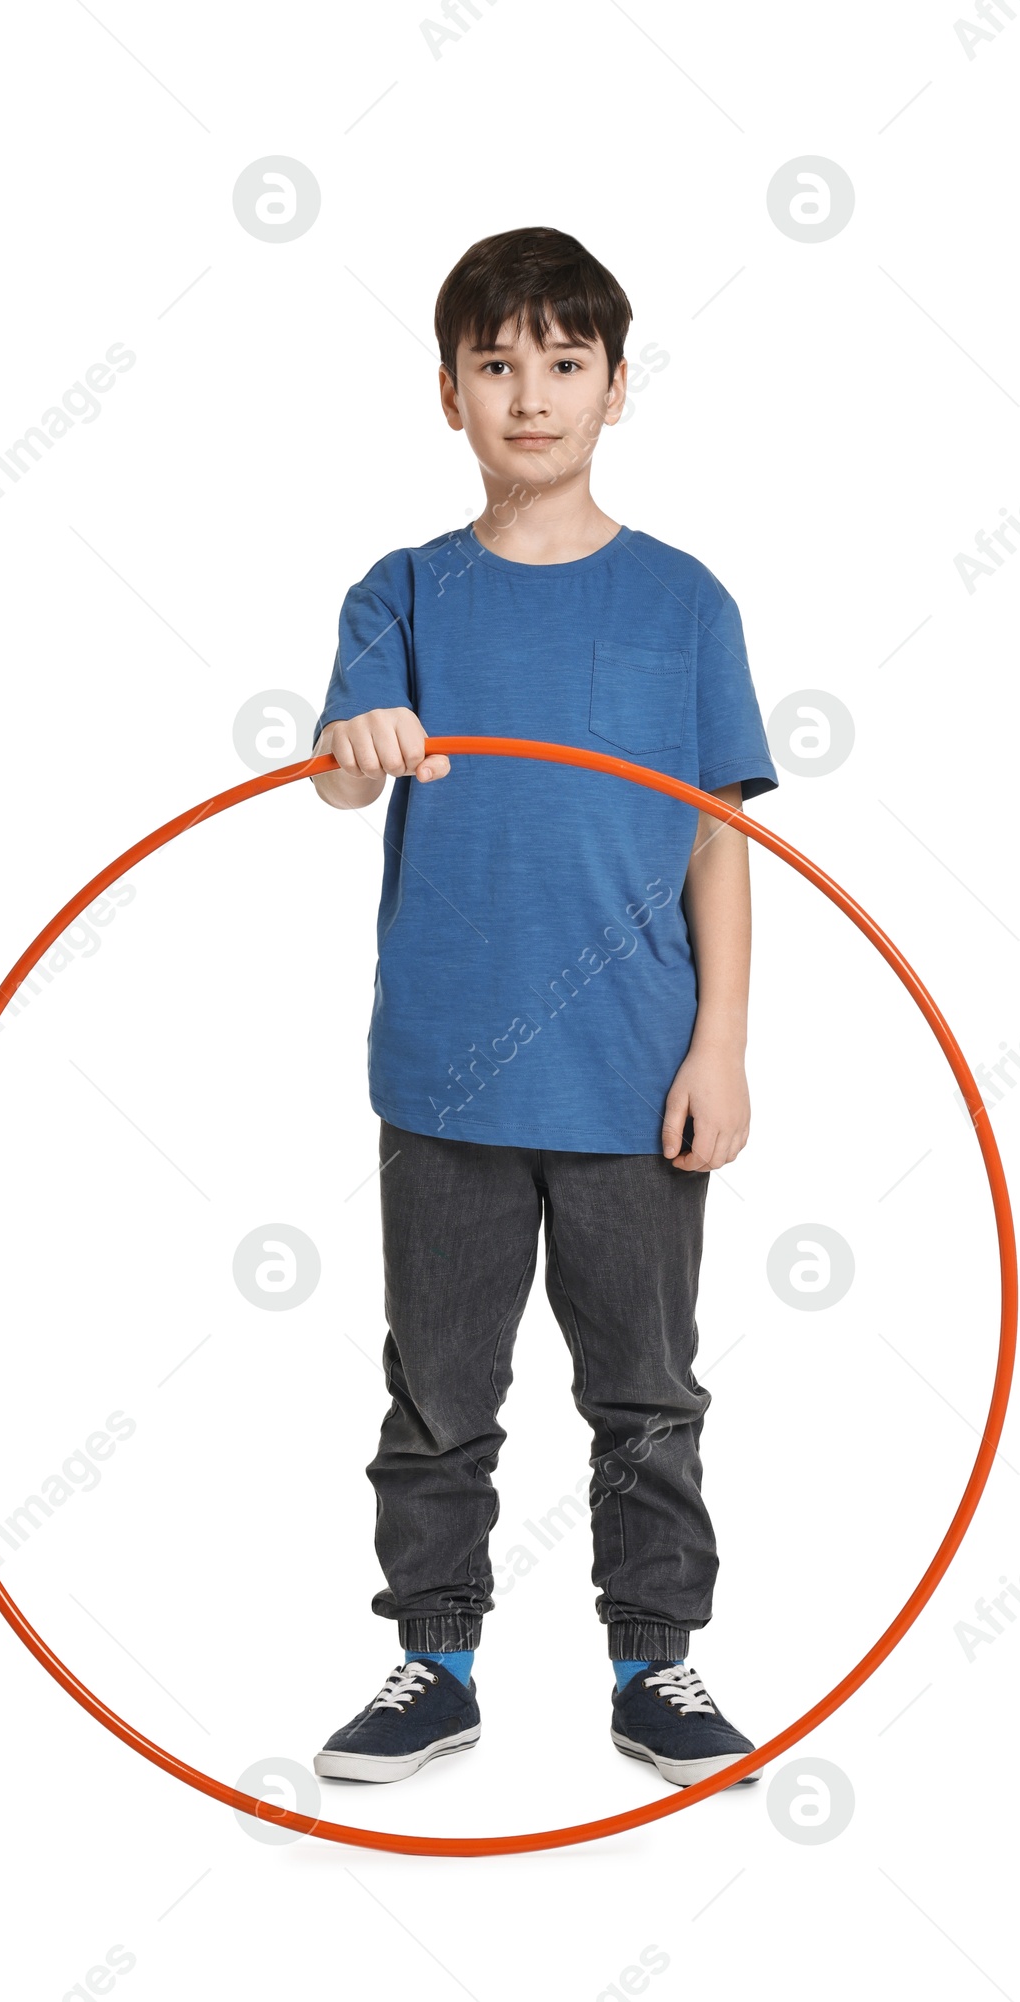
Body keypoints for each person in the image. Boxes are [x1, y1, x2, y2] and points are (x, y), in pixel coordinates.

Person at [306, 226, 778, 1790]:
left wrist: (719, 1043)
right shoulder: (403, 592)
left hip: (635, 1074)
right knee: (438, 1391)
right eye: (496, 364)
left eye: (563, 363)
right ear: (447, 392)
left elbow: (721, 836)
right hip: (443, 1071)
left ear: (616, 387)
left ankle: (661, 1664)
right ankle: (431, 1663)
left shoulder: (686, 603)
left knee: (645, 1388)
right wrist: (363, 738)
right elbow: (333, 766)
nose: (530, 394)